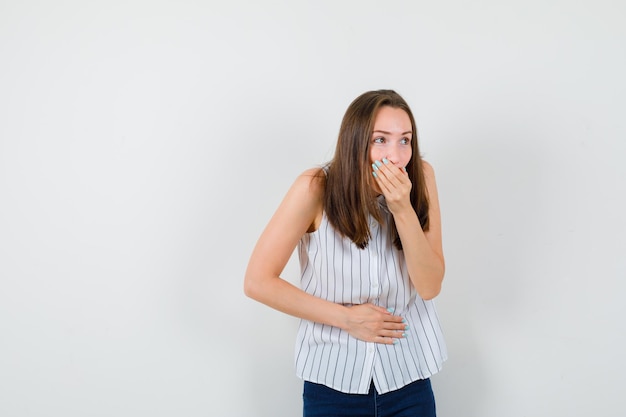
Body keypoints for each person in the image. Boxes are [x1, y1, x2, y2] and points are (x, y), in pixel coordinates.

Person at [244, 90, 447, 417]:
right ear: (356, 141)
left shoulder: (421, 177)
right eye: (380, 140)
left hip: (408, 378)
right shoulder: (315, 187)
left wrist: (403, 210)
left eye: (405, 140)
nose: (395, 156)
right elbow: (257, 281)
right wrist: (348, 319)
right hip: (333, 383)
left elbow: (429, 286)